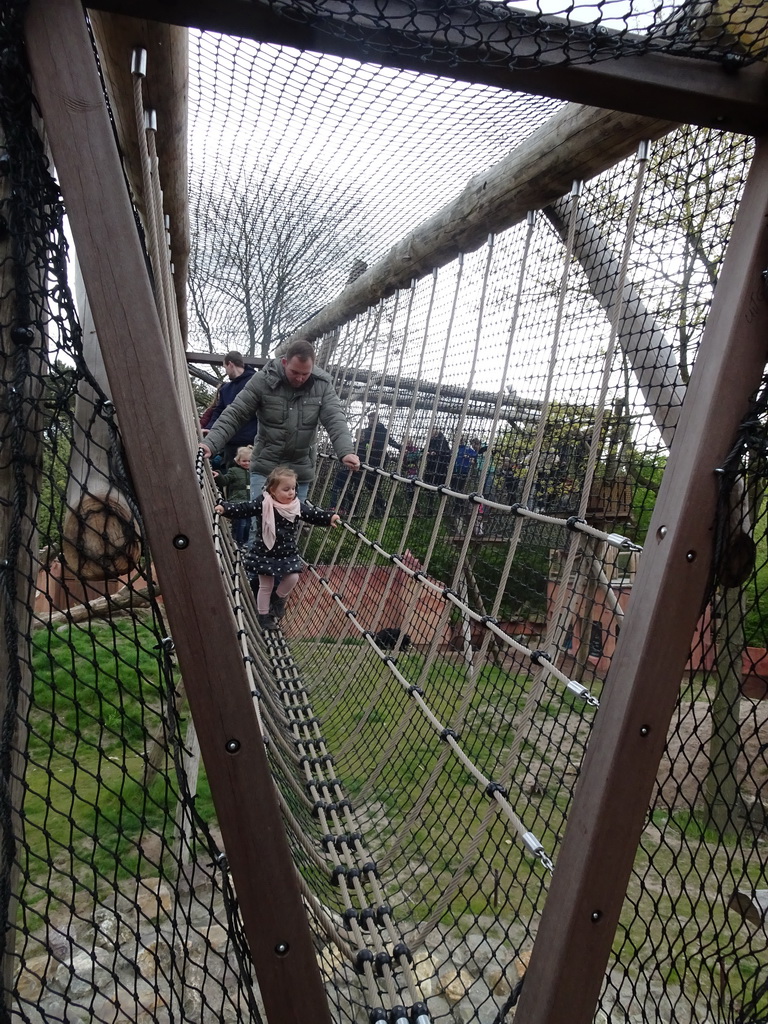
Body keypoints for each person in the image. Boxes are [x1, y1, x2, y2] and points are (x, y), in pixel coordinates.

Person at [199, 339, 360, 502]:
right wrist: (211, 443)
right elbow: (236, 412)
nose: (300, 378)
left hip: (299, 470)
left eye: (305, 374)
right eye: (295, 372)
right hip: (265, 468)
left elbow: (335, 419)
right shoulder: (263, 380)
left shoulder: (322, 385)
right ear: (284, 362)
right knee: (261, 521)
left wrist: (346, 451)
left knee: (291, 521)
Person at [215, 466, 341, 630]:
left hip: (287, 552)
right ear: (272, 490)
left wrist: (329, 517)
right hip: (265, 551)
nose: (291, 492)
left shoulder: (296, 506)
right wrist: (225, 508)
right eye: (286, 489)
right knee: (265, 586)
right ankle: (263, 616)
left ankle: (278, 599)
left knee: (293, 577)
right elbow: (245, 508)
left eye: (294, 488)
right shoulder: (264, 502)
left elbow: (312, 514)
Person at [329, 410, 400, 515]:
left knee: (374, 487)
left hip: (379, 462)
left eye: (373, 419)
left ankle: (380, 508)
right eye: (370, 419)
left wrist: (400, 448)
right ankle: (356, 509)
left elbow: (391, 441)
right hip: (366, 463)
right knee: (364, 485)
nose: (371, 421)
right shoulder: (366, 431)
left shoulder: (383, 431)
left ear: (377, 419)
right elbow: (362, 443)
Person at [204, 352, 260, 467]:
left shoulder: (257, 381)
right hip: (231, 445)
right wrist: (209, 428)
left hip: (252, 442)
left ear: (230, 364)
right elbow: (218, 411)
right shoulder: (226, 389)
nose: (225, 371)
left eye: (225, 367)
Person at [213, 445, 252, 546]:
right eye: (244, 461)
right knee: (240, 524)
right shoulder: (234, 471)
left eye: (249, 461)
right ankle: (237, 543)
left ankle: (245, 542)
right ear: (238, 461)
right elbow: (225, 481)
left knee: (248, 524)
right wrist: (219, 476)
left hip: (250, 503)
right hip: (237, 502)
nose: (247, 463)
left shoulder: (254, 473)